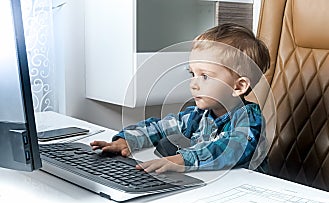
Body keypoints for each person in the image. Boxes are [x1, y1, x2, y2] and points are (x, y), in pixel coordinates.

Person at [90, 23, 270, 174]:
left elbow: (229, 149)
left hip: (246, 190)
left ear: (238, 86)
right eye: (192, 73)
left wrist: (182, 160)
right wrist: (127, 140)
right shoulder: (198, 115)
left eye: (205, 76)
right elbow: (161, 127)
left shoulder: (248, 119)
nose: (193, 84)